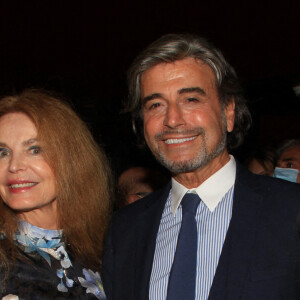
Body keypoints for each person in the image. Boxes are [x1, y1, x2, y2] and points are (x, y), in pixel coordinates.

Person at [102, 34, 300, 300]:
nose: (172, 119)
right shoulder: (125, 230)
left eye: (191, 99)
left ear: (228, 112)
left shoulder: (291, 211)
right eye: (156, 104)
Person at [0, 90, 111, 299]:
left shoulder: (106, 249)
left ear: (72, 160)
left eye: (35, 149)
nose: (14, 166)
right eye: (2, 152)